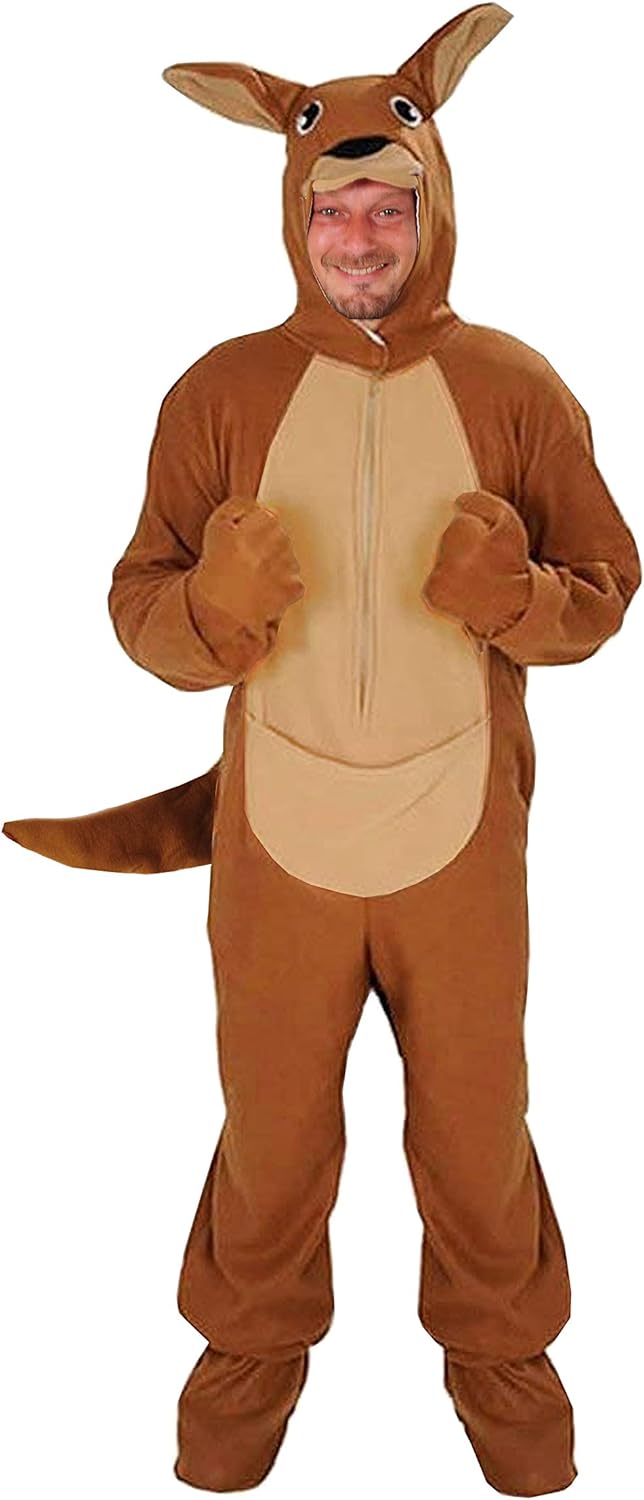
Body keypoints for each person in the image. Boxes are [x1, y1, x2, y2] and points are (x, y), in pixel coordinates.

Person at [3, 8, 641, 1494]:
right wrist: (210, 614)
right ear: (294, 218)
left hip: (459, 842)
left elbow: (606, 589)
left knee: (477, 1133)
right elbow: (139, 605)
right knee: (272, 1136)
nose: (360, 236)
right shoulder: (219, 392)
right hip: (278, 848)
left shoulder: (515, 387)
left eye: (388, 207)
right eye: (332, 210)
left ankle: (504, 1369)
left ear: (436, 208)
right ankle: (246, 1370)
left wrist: (518, 599)